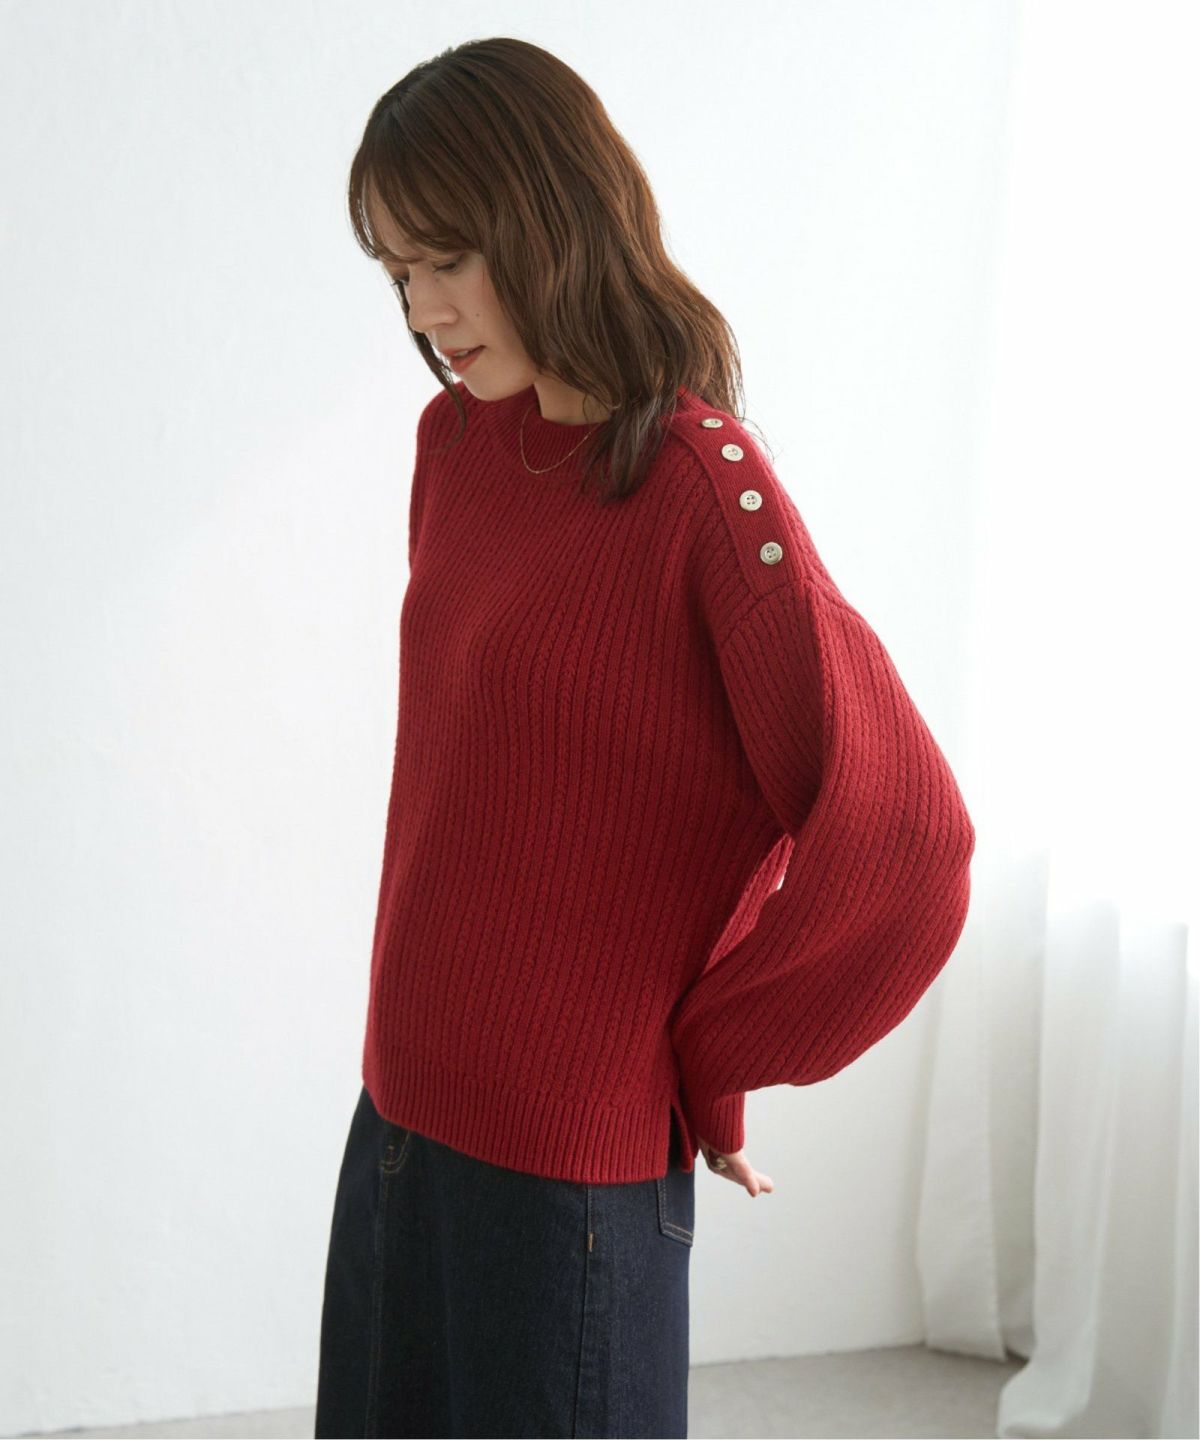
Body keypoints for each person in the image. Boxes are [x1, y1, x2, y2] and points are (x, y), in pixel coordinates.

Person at [314, 35, 976, 1440]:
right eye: (397, 271)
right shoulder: (457, 445)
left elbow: (909, 838)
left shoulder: (703, 488)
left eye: (448, 258)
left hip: (566, 1181)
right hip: (399, 1122)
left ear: (549, 219)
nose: (424, 308)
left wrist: (708, 1056)